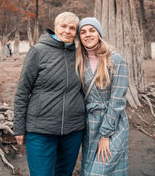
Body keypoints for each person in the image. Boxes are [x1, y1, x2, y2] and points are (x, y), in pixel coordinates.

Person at [14, 12, 85, 176]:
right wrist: (19, 127)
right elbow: (23, 91)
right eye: (63, 26)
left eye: (72, 28)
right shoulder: (38, 51)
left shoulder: (80, 54)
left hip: (73, 131)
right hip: (41, 130)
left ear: (76, 32)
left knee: (64, 173)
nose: (67, 31)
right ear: (55, 27)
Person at [76, 17, 129, 176]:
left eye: (92, 30)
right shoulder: (79, 60)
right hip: (89, 125)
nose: (88, 35)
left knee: (101, 171)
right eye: (83, 32)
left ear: (99, 33)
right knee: (88, 168)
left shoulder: (115, 59)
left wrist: (105, 134)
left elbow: (117, 101)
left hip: (112, 124)